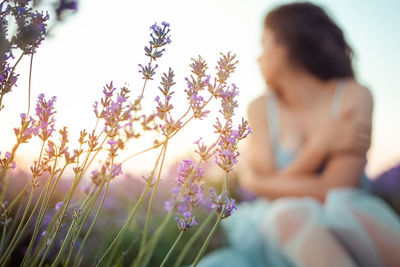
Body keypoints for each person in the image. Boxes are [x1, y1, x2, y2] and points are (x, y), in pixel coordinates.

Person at [198, 2, 400, 267]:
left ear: (288, 46)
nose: (258, 57)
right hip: (276, 230)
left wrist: (259, 182)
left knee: (300, 213)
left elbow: (336, 189)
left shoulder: (353, 94)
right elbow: (267, 189)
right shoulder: (259, 107)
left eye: (265, 44)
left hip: (348, 224)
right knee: (287, 215)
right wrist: (318, 147)